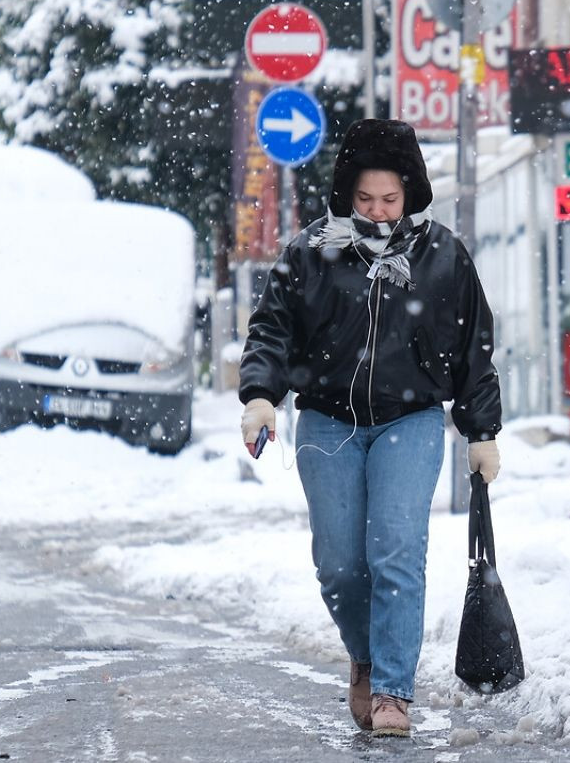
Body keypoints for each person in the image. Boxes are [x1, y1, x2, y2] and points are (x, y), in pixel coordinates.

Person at [238, 118, 502, 737]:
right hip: (328, 421)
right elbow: (272, 329)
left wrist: (482, 430)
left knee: (397, 553)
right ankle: (365, 653)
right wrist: (260, 396)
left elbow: (472, 350)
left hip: (410, 420)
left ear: (411, 191)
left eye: (389, 199)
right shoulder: (312, 252)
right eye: (365, 200)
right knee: (339, 565)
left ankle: (392, 691)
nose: (378, 212)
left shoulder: (444, 257)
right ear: (345, 194)